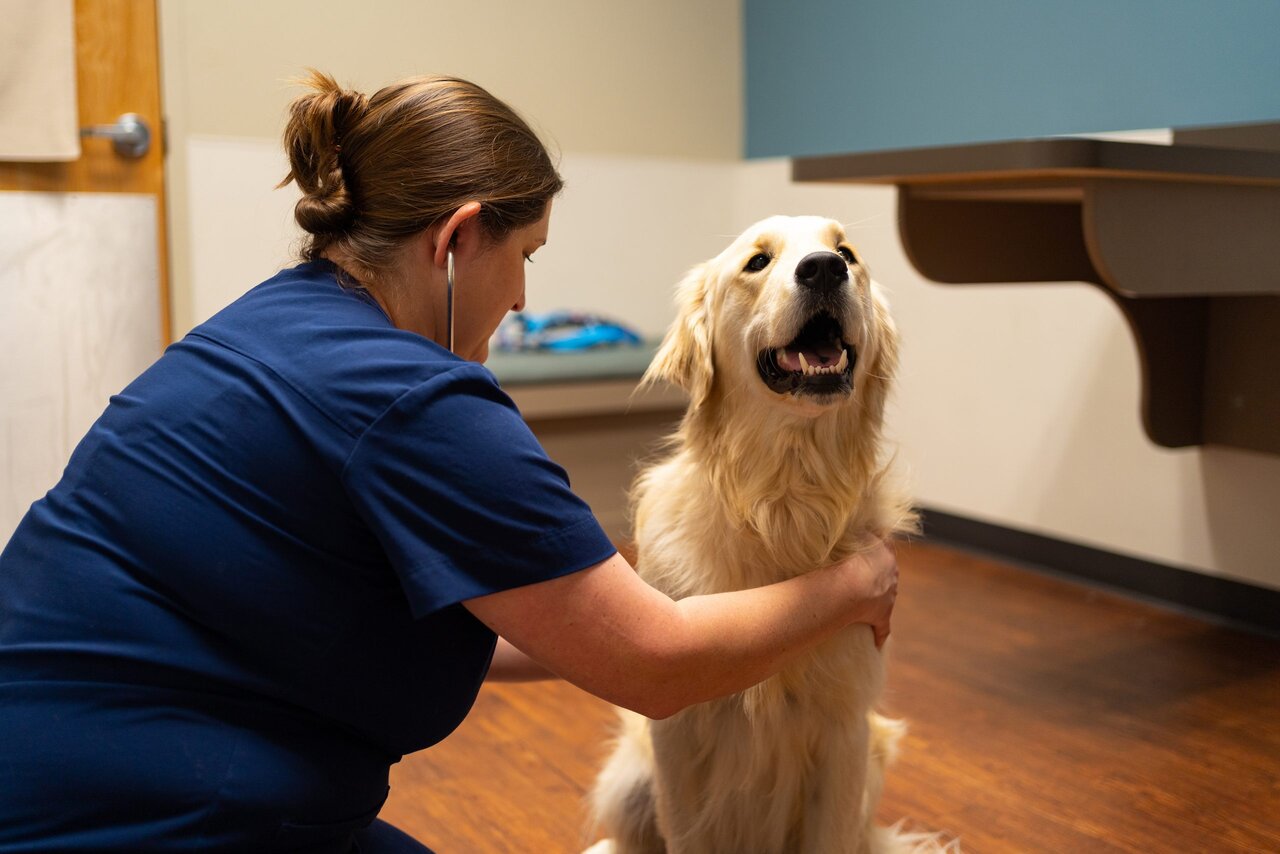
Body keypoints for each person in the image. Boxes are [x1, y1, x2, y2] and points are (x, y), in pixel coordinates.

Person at [0, 71, 899, 853]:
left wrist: (601, 618)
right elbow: (654, 669)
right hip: (145, 820)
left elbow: (467, 617)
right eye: (525, 256)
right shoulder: (420, 405)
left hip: (48, 764)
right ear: (460, 239)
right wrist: (856, 586)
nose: (521, 296)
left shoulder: (265, 321)